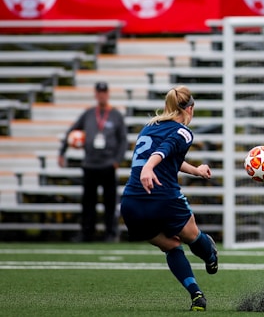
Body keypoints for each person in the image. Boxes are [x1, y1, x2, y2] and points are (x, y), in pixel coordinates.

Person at [120, 85, 218, 312]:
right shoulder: (184, 132)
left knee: (173, 247)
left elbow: (168, 157)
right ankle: (210, 255)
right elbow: (164, 150)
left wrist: (197, 170)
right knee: (193, 237)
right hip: (163, 199)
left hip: (132, 204)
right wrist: (149, 168)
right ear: (190, 109)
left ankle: (196, 296)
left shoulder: (149, 127)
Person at [59, 81, 128, 242]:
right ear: (96, 94)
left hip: (108, 165)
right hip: (90, 165)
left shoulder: (116, 115)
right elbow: (72, 131)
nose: (102, 95)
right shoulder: (89, 114)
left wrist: (117, 160)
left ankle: (110, 234)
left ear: (108, 94)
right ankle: (86, 233)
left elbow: (123, 140)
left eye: (104, 92)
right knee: (88, 202)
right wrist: (62, 152)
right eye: (99, 92)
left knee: (110, 203)